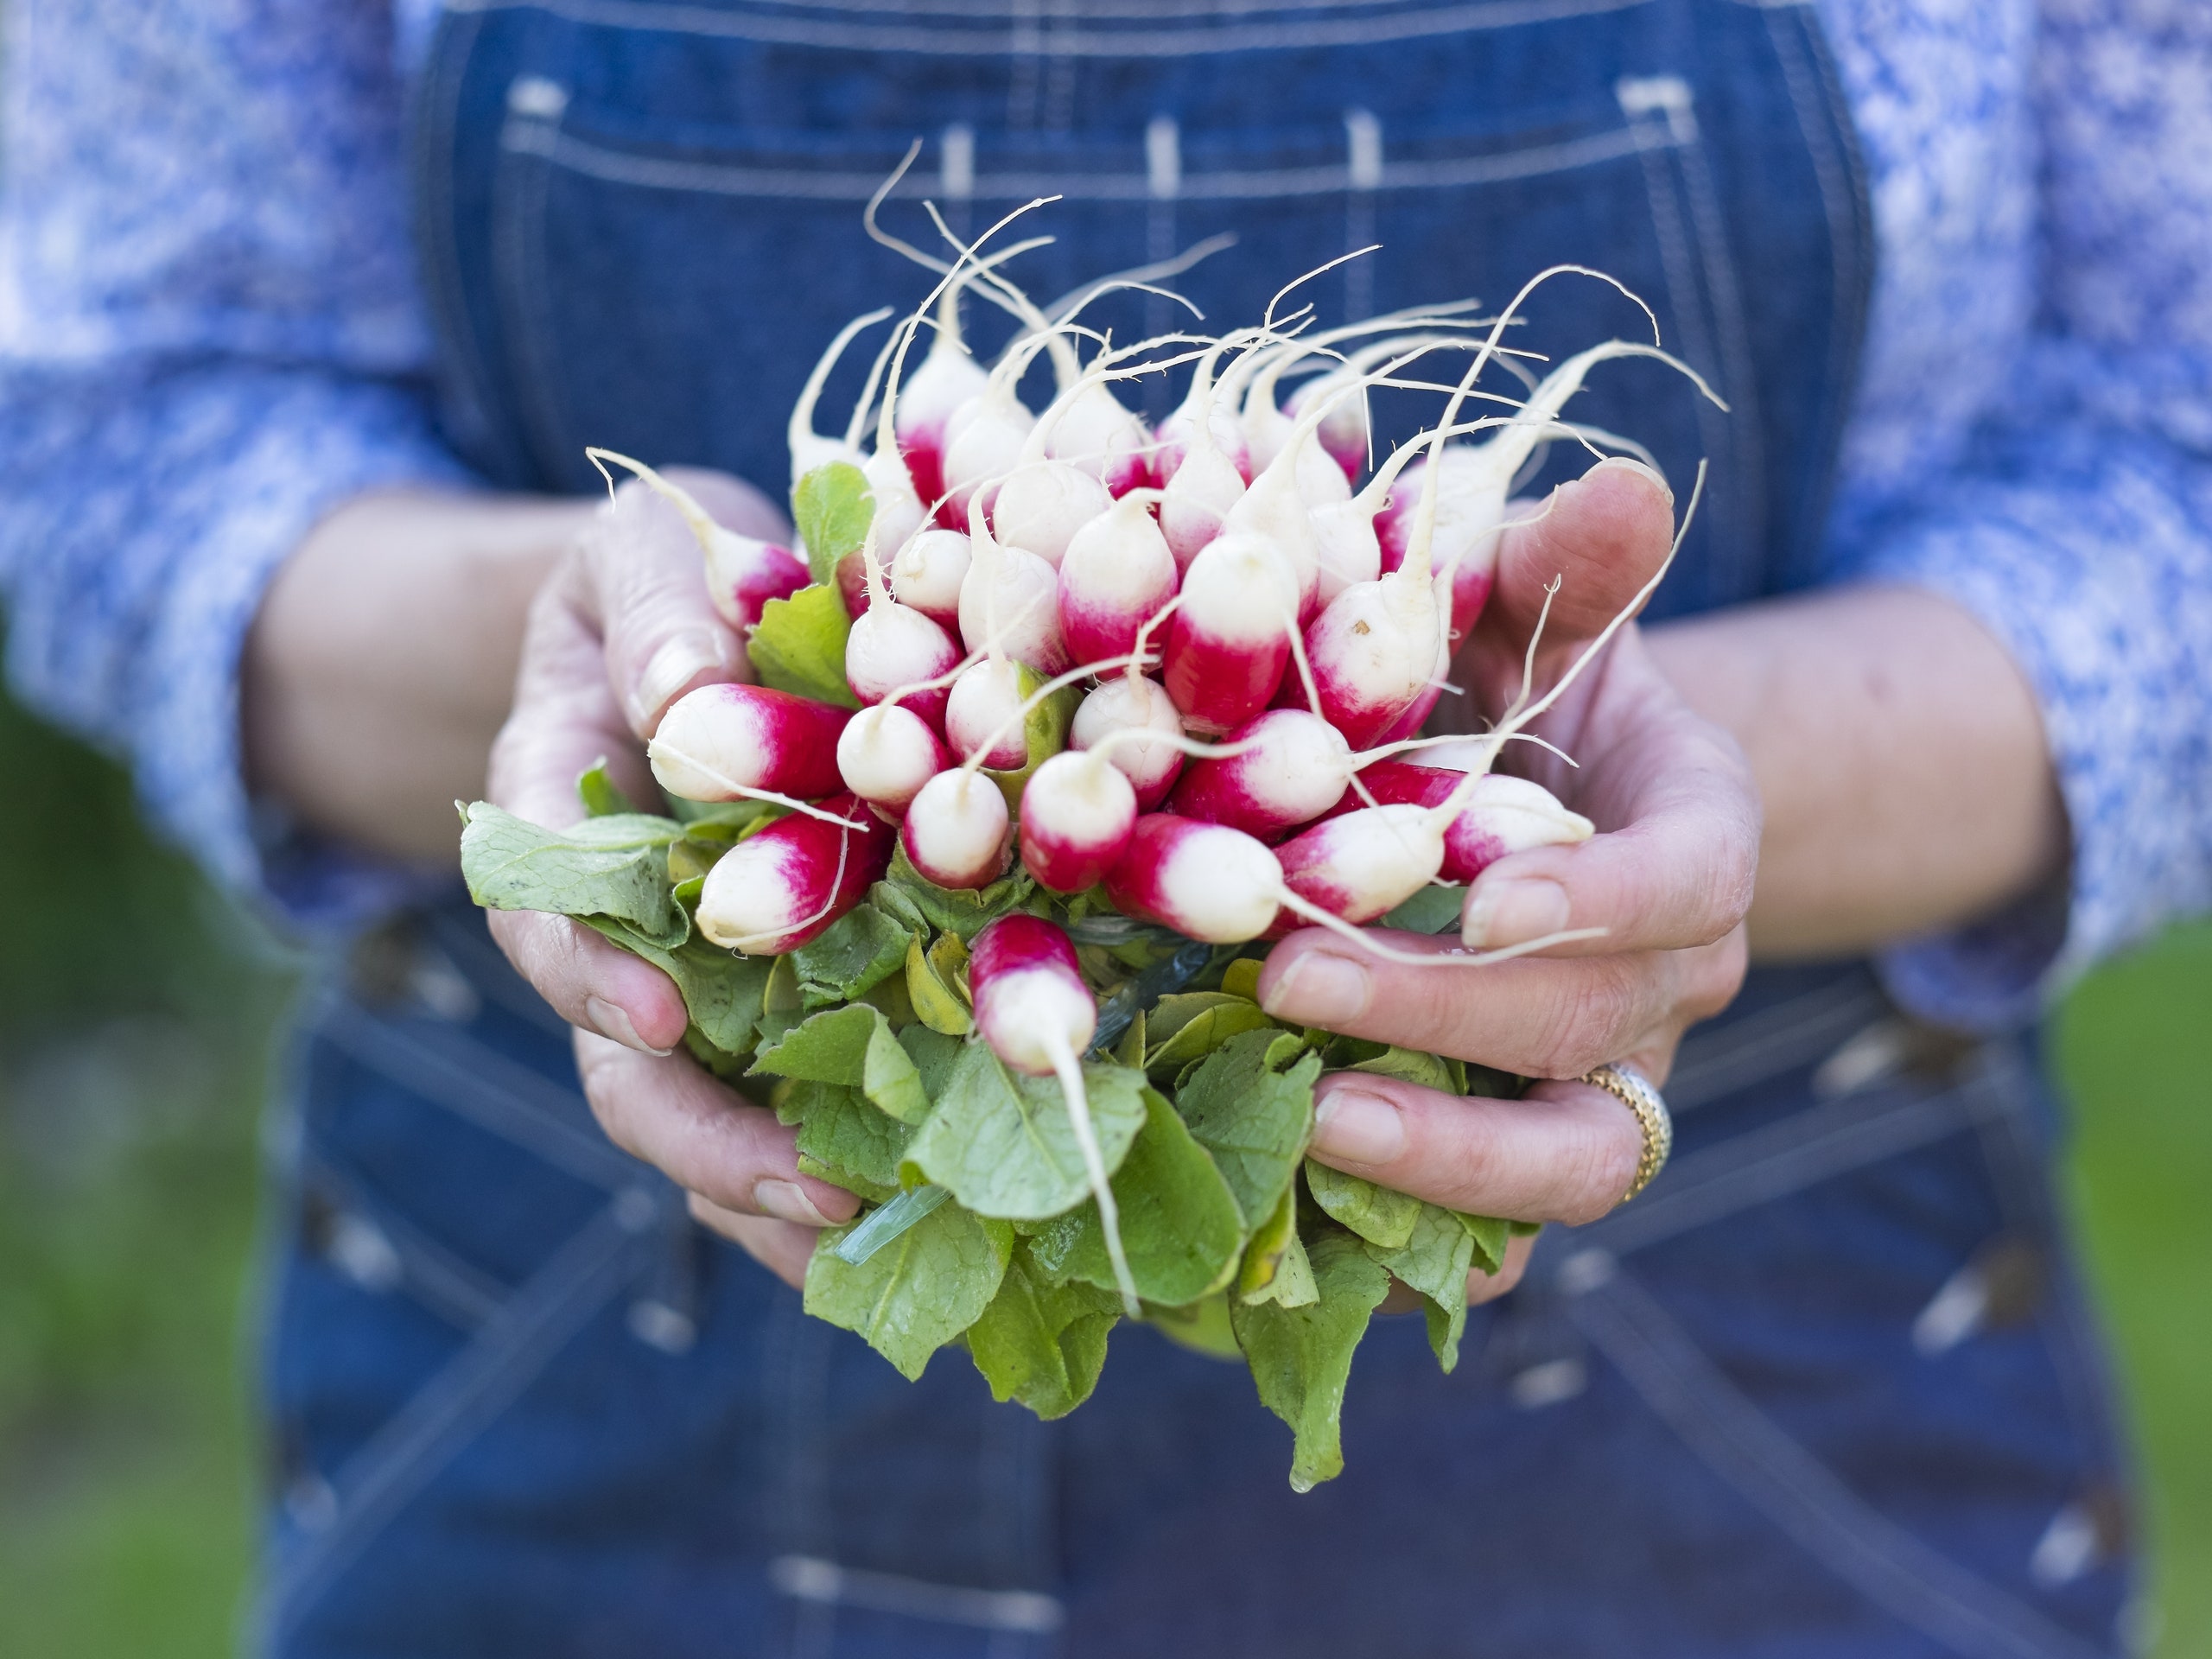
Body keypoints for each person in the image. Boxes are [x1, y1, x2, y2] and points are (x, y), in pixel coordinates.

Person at [3, 0, 2207, 1653]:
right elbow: (109, 422)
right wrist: (599, 657)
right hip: (573, 1393)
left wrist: (1590, 785)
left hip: (1729, 1410)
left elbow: (2173, 460)